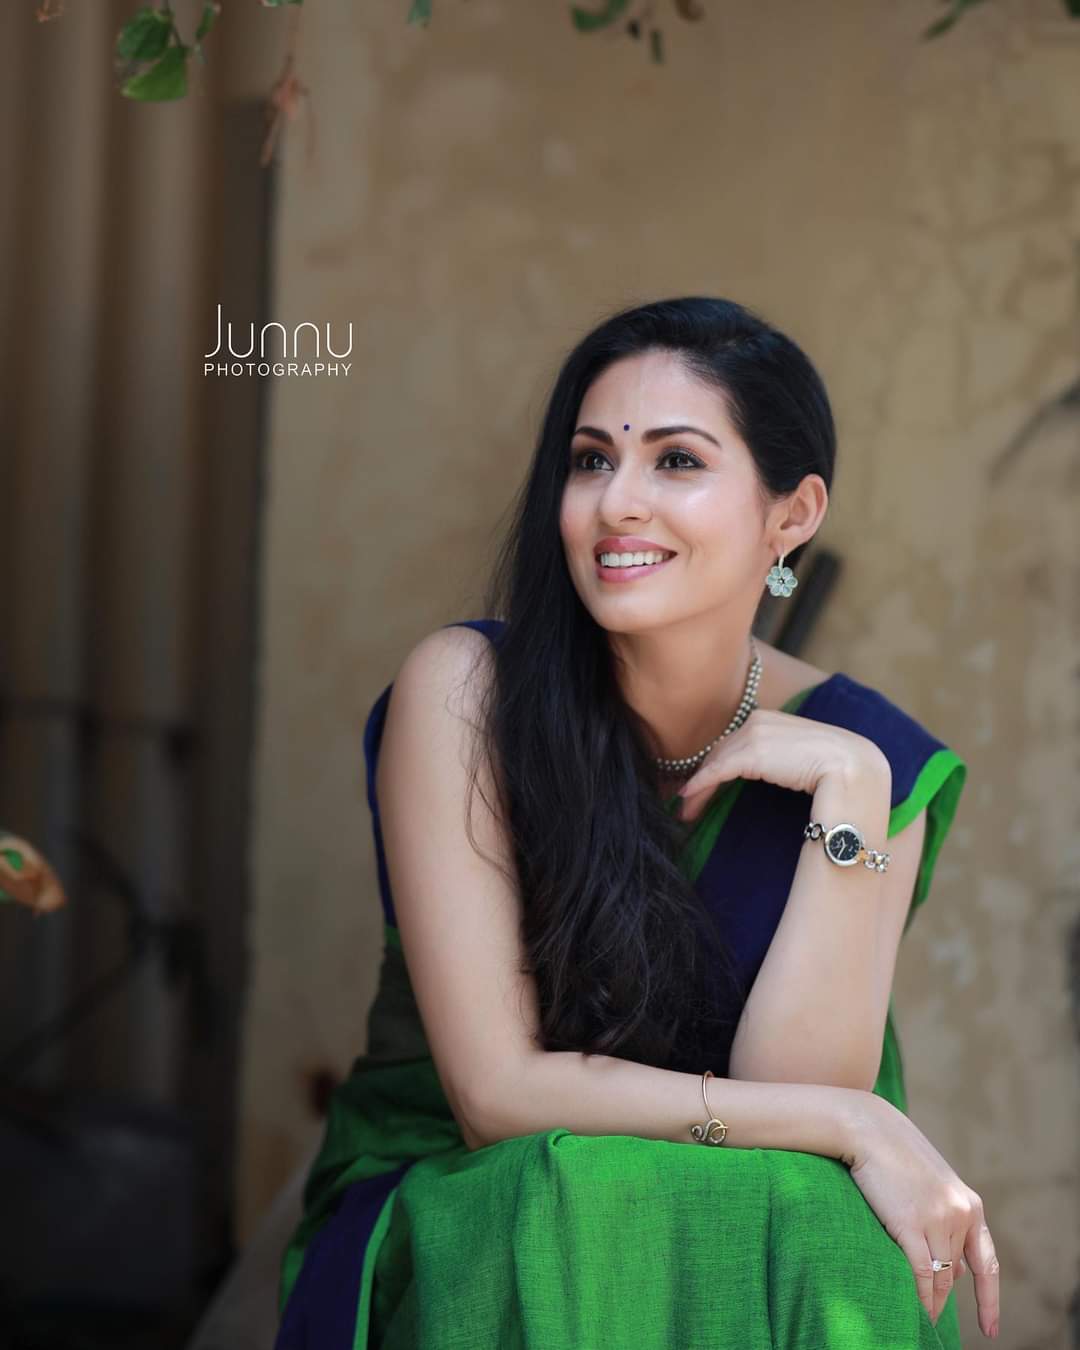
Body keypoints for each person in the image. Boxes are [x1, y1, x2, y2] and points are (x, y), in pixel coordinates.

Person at [273, 296, 1001, 1348]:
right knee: (573, 1196)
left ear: (792, 515)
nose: (617, 502)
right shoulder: (468, 692)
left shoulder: (872, 757)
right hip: (473, 1194)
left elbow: (788, 1136)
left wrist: (850, 794)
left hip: (715, 1205)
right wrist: (856, 1119)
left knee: (826, 1230)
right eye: (590, 461)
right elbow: (495, 1095)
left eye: (676, 461)